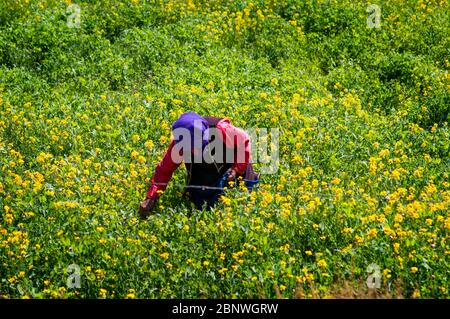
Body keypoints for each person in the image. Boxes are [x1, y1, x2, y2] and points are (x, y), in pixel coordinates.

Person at [139, 112, 259, 217]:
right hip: (205, 174)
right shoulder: (180, 142)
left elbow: (244, 139)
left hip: (230, 166)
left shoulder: (219, 129)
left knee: (242, 199)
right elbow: (164, 170)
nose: (194, 151)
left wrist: (236, 169)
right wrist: (151, 197)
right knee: (203, 204)